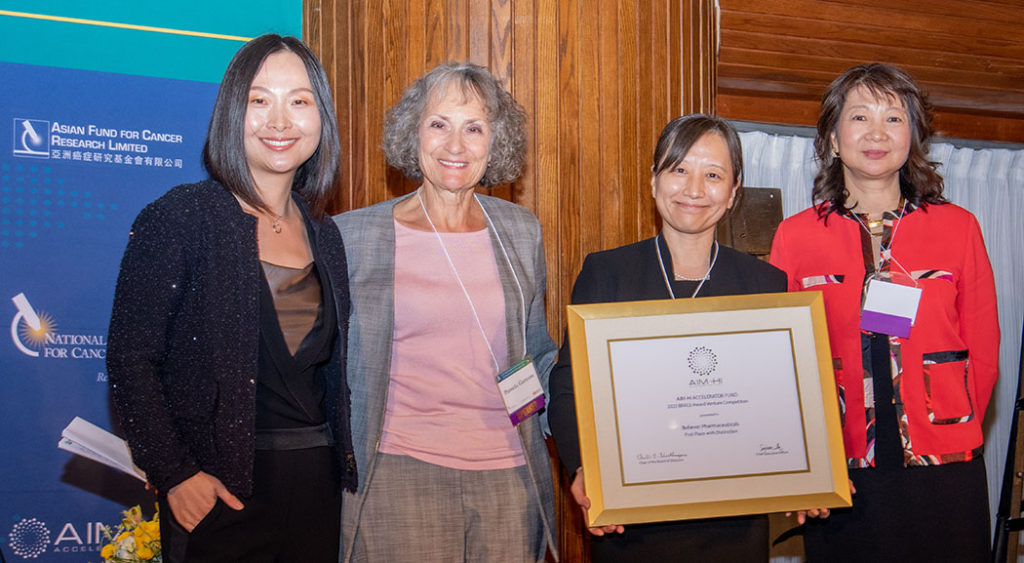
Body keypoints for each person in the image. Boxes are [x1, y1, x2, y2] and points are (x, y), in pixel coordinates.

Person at [107, 34, 356, 562]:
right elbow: (131, 360)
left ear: (322, 118)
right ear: (230, 113)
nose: (279, 121)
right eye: (258, 100)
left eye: (299, 100)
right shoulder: (180, 218)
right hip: (218, 498)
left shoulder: (325, 234)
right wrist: (175, 473)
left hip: (316, 493)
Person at [769, 63, 999, 562]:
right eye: (860, 117)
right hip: (843, 464)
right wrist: (808, 460)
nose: (877, 133)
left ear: (911, 137)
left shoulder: (959, 227)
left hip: (945, 463)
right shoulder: (795, 236)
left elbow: (983, 351)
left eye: (893, 118)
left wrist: (951, 426)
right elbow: (782, 363)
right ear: (833, 139)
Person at [334, 62, 559, 562]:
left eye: (474, 128)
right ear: (413, 132)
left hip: (509, 477)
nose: (455, 145)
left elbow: (536, 354)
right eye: (439, 124)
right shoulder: (354, 236)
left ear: (494, 142)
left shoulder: (521, 231)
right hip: (399, 474)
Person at [547, 114, 787, 562]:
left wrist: (807, 470)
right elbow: (568, 384)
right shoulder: (607, 273)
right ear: (654, 181)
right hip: (630, 519)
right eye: (679, 169)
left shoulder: (765, 284)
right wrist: (584, 466)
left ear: (733, 192)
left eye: (713, 175)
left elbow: (780, 399)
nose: (694, 189)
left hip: (734, 523)